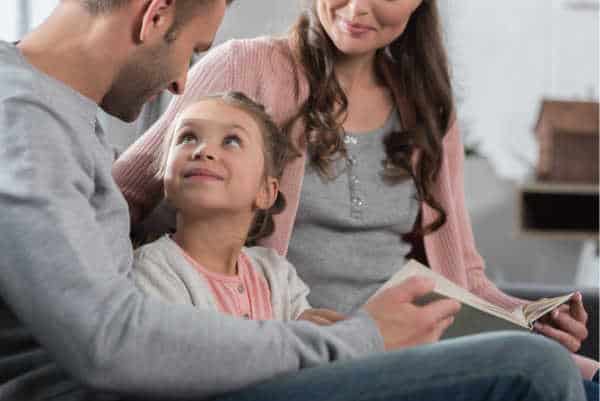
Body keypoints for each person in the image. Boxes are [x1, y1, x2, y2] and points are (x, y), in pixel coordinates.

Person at [0, 0, 588, 400]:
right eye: (194, 51)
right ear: (154, 14)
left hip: (321, 339)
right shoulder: (24, 121)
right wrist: (356, 338)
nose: (183, 85)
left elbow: (461, 270)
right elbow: (113, 333)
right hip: (290, 345)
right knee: (532, 372)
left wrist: (520, 318)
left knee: (565, 368)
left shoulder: (60, 116)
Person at [133, 91, 345, 325]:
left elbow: (308, 345)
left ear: (265, 192)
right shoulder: (153, 270)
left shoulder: (276, 275)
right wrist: (294, 339)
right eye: (187, 137)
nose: (203, 150)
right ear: (165, 178)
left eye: (231, 141)